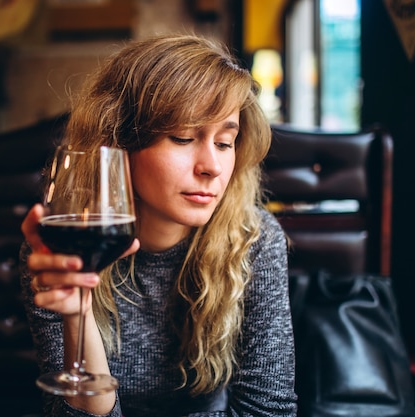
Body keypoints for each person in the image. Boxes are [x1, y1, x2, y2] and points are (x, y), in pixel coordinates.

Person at [20, 33, 297, 417]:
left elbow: (268, 412)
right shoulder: (66, 247)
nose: (212, 167)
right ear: (118, 142)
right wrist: (76, 316)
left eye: (224, 142)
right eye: (183, 137)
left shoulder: (253, 238)